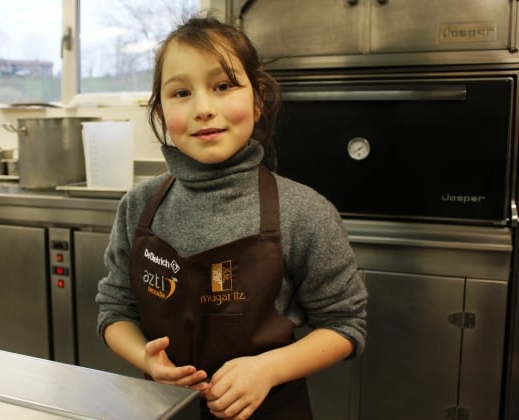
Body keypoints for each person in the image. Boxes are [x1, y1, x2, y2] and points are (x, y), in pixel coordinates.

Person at [96, 13, 367, 420]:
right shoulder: (138, 206)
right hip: (166, 409)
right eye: (181, 93)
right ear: (160, 110)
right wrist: (146, 360)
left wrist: (267, 369)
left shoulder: (304, 211)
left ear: (258, 100)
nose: (204, 108)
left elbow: (346, 324)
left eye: (223, 86)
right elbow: (115, 310)